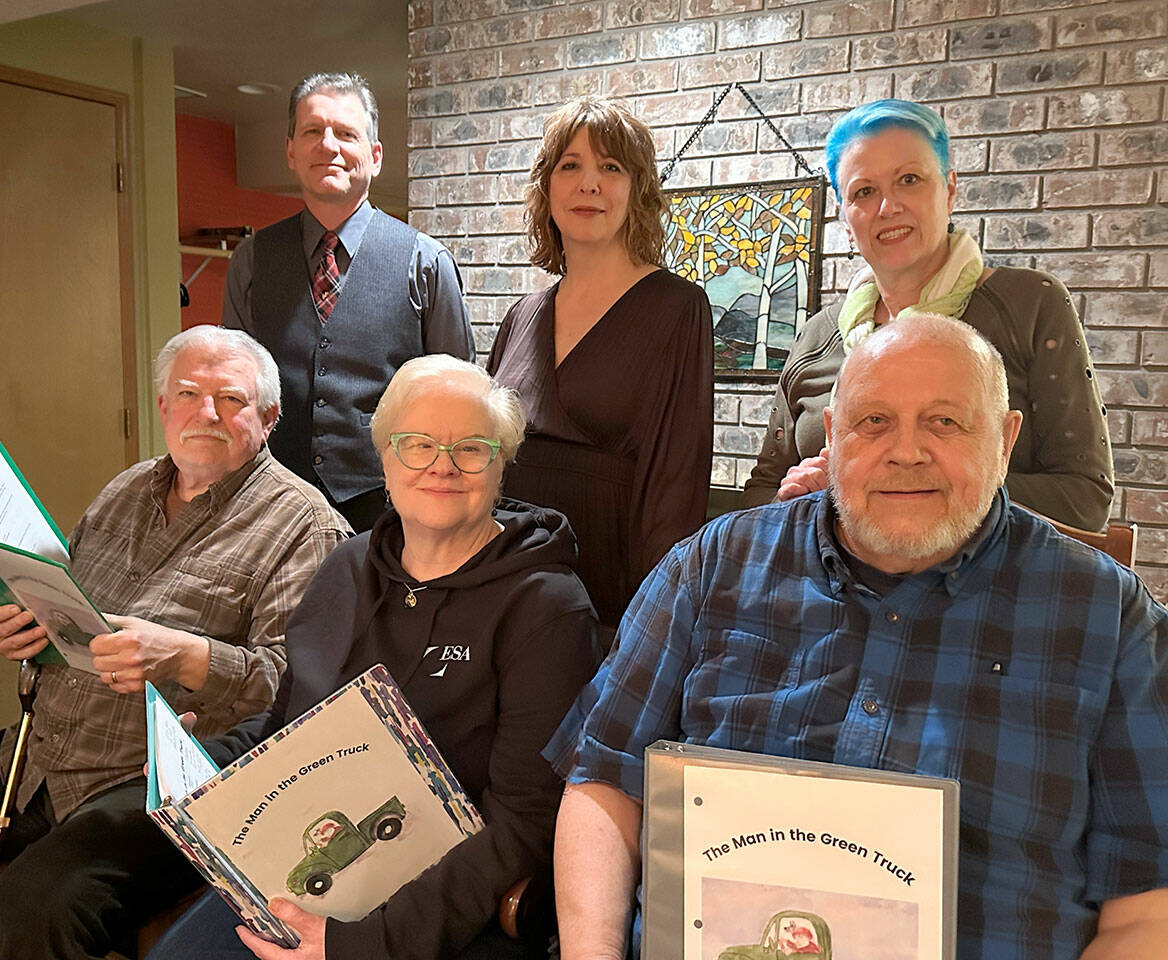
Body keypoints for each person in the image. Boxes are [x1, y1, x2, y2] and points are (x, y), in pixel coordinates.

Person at [549, 313, 1167, 960]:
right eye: (874, 421)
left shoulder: (1108, 619)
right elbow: (602, 783)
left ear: (1005, 442)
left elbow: (1149, 903)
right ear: (834, 435)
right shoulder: (709, 569)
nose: (906, 452)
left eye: (945, 422)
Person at [0, 326, 351, 960]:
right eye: (187, 392)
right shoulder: (125, 489)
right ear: (162, 407)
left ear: (269, 418)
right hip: (34, 757)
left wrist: (188, 657)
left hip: (157, 785)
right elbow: (68, 611)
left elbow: (305, 698)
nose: (206, 413)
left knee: (29, 913)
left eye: (231, 399)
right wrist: (21, 624)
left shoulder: (307, 526)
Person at [148, 355, 601, 960]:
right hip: (302, 869)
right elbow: (288, 725)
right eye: (416, 444)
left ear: (500, 467)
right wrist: (203, 769)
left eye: (470, 448)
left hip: (439, 911)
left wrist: (364, 945)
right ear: (384, 458)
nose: (442, 465)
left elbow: (523, 822)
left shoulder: (547, 607)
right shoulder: (344, 567)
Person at [739, 99, 1114, 533]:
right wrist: (795, 498)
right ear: (844, 217)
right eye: (864, 191)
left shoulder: (1029, 305)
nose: (887, 207)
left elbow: (1085, 498)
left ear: (950, 190)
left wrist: (884, 484)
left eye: (909, 180)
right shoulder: (816, 336)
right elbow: (760, 493)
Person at [487, 95, 713, 631]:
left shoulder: (677, 308)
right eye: (571, 166)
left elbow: (676, 481)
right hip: (507, 582)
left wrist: (653, 621)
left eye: (610, 167)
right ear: (547, 189)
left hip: (610, 593)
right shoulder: (522, 315)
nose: (589, 184)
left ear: (636, 191)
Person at [223, 71, 475, 533]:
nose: (329, 145)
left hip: (393, 511)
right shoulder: (251, 261)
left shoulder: (425, 261)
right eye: (313, 131)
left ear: (375, 156)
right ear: (291, 151)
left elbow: (458, 400)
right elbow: (234, 391)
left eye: (346, 133)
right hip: (272, 507)